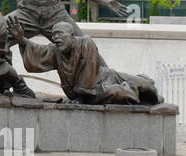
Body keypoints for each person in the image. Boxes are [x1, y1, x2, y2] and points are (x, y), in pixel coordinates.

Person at [23, 23, 160, 105]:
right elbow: (38, 53)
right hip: (93, 93)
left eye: (59, 34)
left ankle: (144, 82)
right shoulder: (56, 50)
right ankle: (130, 90)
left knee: (147, 85)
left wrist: (82, 96)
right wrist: (21, 40)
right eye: (53, 35)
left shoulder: (85, 42)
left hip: (103, 78)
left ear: (71, 35)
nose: (56, 38)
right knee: (121, 94)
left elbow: (89, 68)